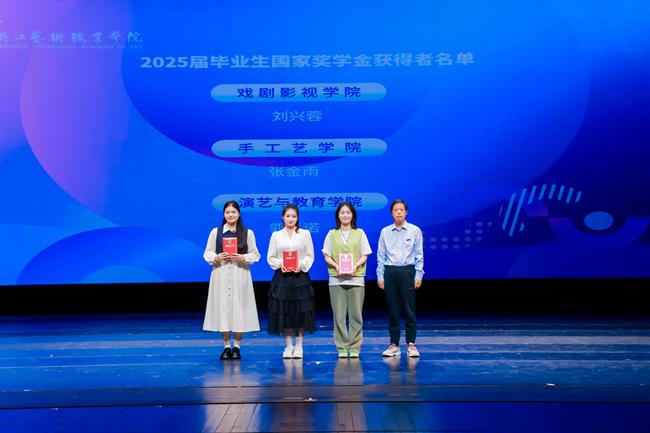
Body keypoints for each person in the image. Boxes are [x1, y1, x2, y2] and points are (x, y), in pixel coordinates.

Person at [203, 201, 261, 360]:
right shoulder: (216, 232)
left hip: (239, 273)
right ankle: (226, 347)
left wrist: (243, 257)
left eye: (233, 212)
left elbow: (255, 254)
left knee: (239, 309)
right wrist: (216, 257)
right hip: (221, 273)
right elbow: (207, 253)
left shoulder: (247, 233)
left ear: (239, 214)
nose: (230, 215)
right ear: (224, 214)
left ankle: (237, 347)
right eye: (227, 212)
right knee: (223, 308)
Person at [322, 202, 372, 358]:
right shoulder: (331, 234)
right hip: (336, 279)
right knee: (339, 316)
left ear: (353, 215)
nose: (345, 215)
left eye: (348, 212)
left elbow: (365, 254)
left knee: (356, 315)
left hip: (356, 279)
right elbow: (326, 256)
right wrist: (336, 266)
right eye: (342, 212)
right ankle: (342, 347)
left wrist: (356, 265)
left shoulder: (360, 233)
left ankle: (355, 346)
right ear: (338, 215)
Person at [267, 204, 316, 359]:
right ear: (282, 217)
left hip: (300, 277)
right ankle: (288, 345)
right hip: (282, 278)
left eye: (294, 216)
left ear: (297, 218)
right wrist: (282, 264)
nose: (290, 219)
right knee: (285, 311)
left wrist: (299, 265)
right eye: (288, 216)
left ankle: (299, 346)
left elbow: (310, 256)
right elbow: (271, 257)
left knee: (301, 311)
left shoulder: (305, 234)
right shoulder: (276, 235)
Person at [376, 198, 424, 358]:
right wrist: (380, 276)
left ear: (406, 212)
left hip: (407, 271)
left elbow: (419, 254)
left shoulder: (414, 230)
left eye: (401, 210)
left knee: (409, 310)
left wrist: (418, 274)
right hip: (390, 272)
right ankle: (394, 345)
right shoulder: (385, 231)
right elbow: (380, 255)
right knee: (393, 311)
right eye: (395, 210)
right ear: (392, 213)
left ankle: (411, 344)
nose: (398, 212)